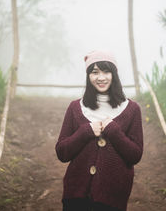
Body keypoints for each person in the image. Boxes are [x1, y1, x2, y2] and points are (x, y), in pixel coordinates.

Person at [55, 50, 143, 211]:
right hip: (75, 195)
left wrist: (114, 131)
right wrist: (85, 131)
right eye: (95, 72)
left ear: (114, 74)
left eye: (106, 71)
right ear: (88, 76)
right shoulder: (75, 108)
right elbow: (62, 152)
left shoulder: (131, 109)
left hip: (113, 197)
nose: (101, 77)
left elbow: (135, 155)